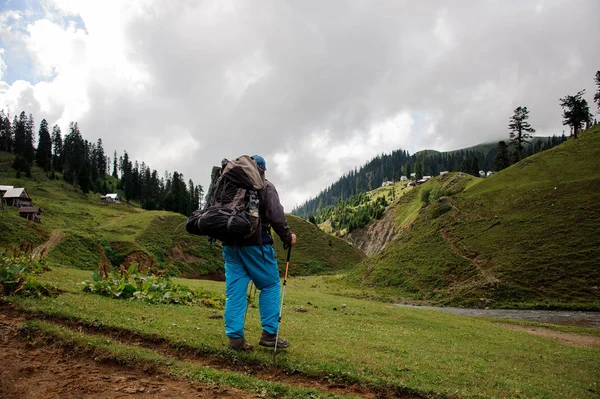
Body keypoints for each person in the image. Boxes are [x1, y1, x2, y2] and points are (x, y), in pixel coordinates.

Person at [222, 155, 297, 351]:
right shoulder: (265, 186)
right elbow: (276, 216)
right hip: (256, 245)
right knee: (271, 284)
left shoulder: (230, 184)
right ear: (262, 170)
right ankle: (269, 334)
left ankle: (235, 339)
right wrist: (288, 237)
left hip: (230, 244)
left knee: (235, 291)